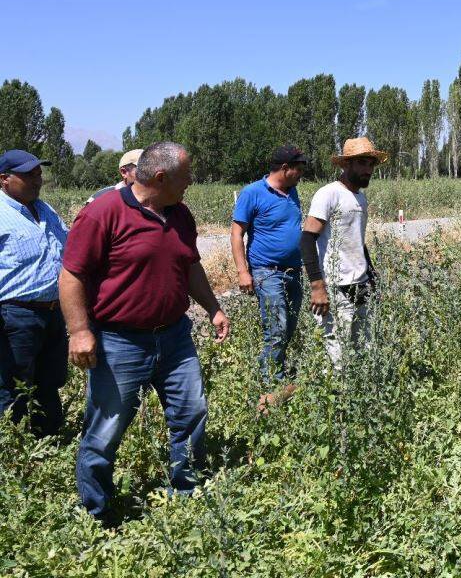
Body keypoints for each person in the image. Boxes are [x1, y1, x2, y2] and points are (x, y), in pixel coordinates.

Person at [61, 141, 230, 523]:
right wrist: (79, 331)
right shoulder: (103, 213)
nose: (190, 182)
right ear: (160, 177)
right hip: (119, 342)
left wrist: (214, 308)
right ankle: (97, 513)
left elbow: (190, 267)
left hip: (174, 337)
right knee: (105, 429)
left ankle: (186, 493)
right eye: (186, 175)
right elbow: (71, 274)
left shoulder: (181, 215)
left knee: (191, 412)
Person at [0, 150, 69, 437]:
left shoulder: (47, 211)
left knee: (50, 383)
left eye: (39, 173)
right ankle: (12, 450)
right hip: (15, 315)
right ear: (4, 179)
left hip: (55, 312)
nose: (37, 179)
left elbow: (68, 249)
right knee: (13, 386)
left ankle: (49, 443)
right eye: (28, 174)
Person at [300, 137, 386, 368]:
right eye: (362, 163)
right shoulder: (329, 194)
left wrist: (372, 275)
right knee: (338, 359)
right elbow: (307, 239)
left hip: (361, 284)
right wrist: (317, 286)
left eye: (371, 164)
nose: (368, 170)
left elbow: (358, 240)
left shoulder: (360, 197)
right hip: (336, 288)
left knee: (364, 351)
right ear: (346, 164)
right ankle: (337, 401)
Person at [231, 145, 308, 384]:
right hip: (267, 272)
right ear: (285, 168)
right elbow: (236, 234)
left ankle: (276, 370)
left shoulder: (292, 191)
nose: (301, 174)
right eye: (298, 169)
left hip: (294, 271)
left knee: (289, 326)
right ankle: (271, 384)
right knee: (276, 327)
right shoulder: (252, 193)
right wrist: (243, 272)